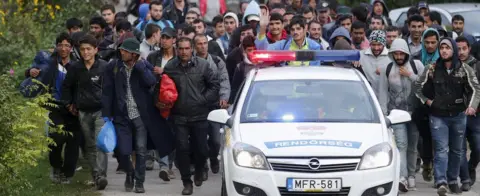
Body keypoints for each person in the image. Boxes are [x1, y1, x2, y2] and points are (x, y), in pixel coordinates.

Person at [102, 37, 174, 193]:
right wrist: (106, 115)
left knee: (141, 149)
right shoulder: (113, 66)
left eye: (125, 51)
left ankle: (139, 182)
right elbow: (107, 91)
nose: (121, 52)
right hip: (121, 116)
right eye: (121, 50)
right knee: (123, 150)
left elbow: (151, 82)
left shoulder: (143, 65)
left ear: (133, 54)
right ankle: (130, 173)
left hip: (141, 116)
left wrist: (141, 67)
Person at [414, 37, 480, 195]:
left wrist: (472, 106)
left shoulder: (465, 69)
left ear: (454, 51)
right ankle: (441, 181)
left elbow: (476, 89)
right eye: (442, 47)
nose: (444, 50)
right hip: (438, 116)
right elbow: (417, 87)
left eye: (448, 47)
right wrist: (427, 101)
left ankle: (452, 180)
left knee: (457, 151)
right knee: (441, 149)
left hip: (458, 115)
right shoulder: (431, 68)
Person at [163, 37, 219, 195]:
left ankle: (200, 169)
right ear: (177, 49)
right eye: (180, 48)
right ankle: (186, 182)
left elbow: (214, 85)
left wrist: (203, 99)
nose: (183, 52)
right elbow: (163, 87)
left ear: (192, 49)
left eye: (186, 48)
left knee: (201, 149)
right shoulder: (171, 66)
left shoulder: (203, 65)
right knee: (182, 149)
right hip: (179, 116)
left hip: (200, 115)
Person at [61, 34, 108, 190]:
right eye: (82, 49)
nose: (85, 52)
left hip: (101, 111)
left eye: (89, 49)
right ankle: (96, 176)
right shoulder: (75, 67)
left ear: (96, 50)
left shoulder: (104, 66)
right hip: (82, 111)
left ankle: (101, 176)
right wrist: (68, 105)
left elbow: (111, 89)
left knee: (100, 143)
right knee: (89, 145)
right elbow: (66, 87)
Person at [378, 38, 425, 192]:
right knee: (401, 145)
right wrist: (384, 114)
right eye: (396, 53)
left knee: (413, 146)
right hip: (396, 114)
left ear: (406, 53)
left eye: (401, 53)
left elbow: (424, 85)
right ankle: (402, 177)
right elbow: (383, 92)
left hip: (414, 113)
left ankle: (411, 175)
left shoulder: (416, 65)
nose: (399, 57)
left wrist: (410, 74)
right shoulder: (387, 67)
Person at [40, 33, 80, 185]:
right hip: (55, 106)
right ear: (56, 47)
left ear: (71, 48)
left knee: (73, 142)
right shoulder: (50, 64)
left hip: (73, 109)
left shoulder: (76, 66)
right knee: (55, 139)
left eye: (67, 46)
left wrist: (75, 105)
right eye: (60, 45)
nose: (63, 48)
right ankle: (56, 166)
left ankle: (67, 174)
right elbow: (40, 77)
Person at [456, 36, 480, 191]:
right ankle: (465, 177)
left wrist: (475, 106)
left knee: (478, 147)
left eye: (464, 48)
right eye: (457, 49)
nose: (461, 52)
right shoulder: (450, 66)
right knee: (460, 149)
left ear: (469, 49)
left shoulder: (477, 66)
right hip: (456, 114)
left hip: (475, 114)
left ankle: (471, 167)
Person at [358, 30, 391, 96]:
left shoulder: (391, 56)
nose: (376, 48)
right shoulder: (361, 55)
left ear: (384, 44)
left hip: (386, 97)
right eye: (373, 44)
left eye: (379, 45)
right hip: (366, 97)